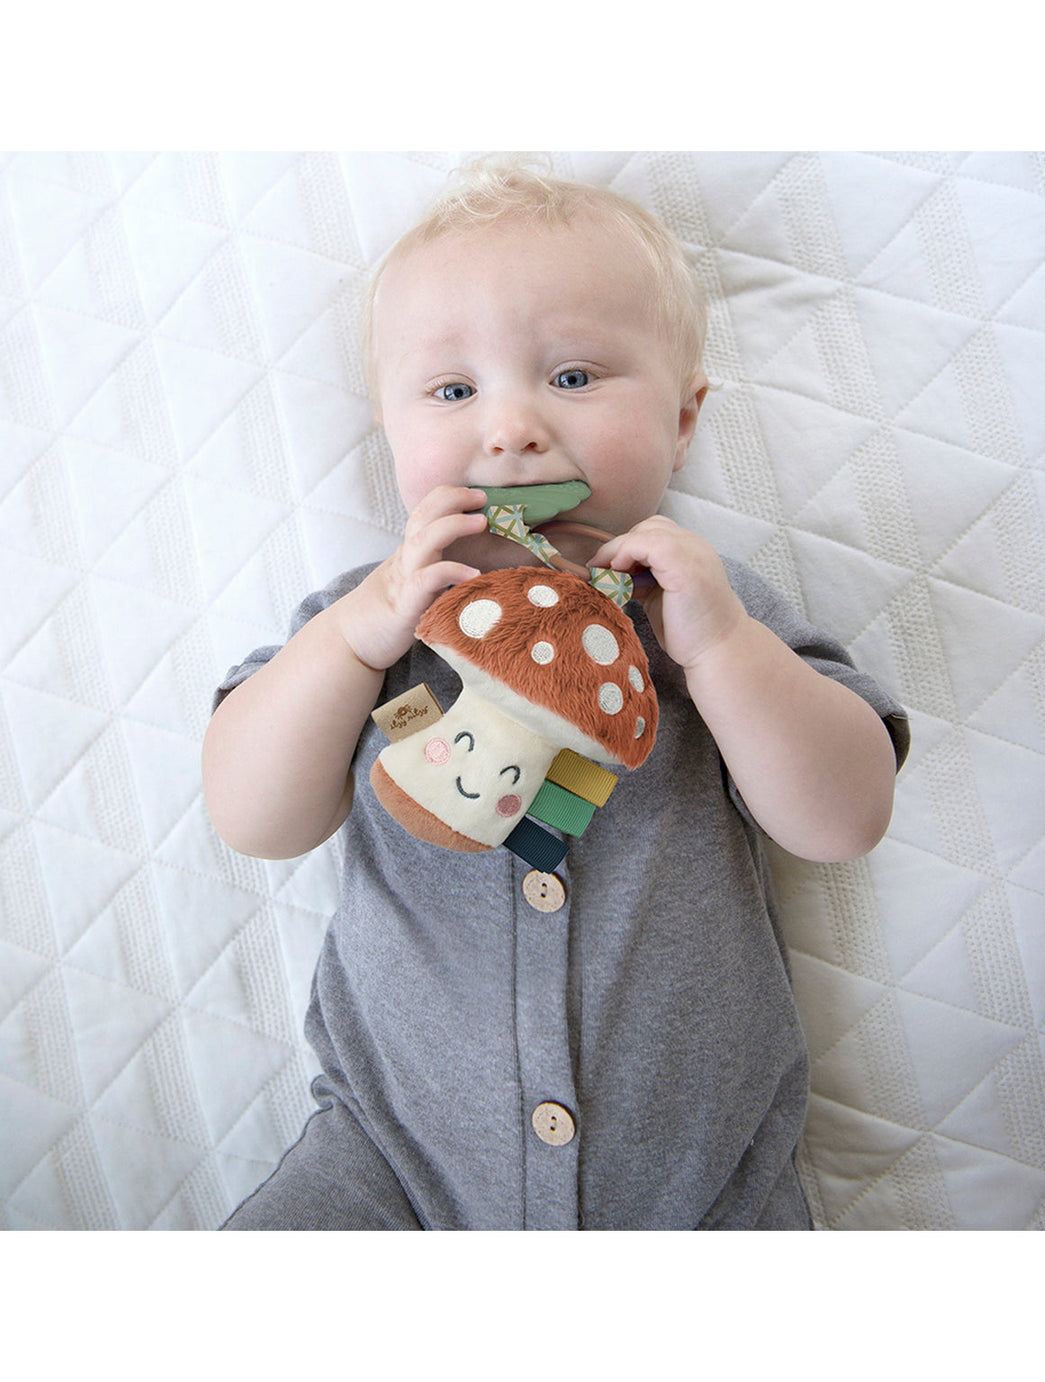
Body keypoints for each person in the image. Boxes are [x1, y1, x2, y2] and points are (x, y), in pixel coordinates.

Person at [201, 159, 909, 1230]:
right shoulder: (376, 617)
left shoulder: (704, 609)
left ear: (682, 421)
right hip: (396, 1162)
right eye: (452, 390)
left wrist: (721, 651)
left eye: (574, 376)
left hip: (701, 1186)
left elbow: (844, 817)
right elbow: (253, 817)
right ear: (393, 435)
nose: (513, 428)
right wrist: (353, 641)